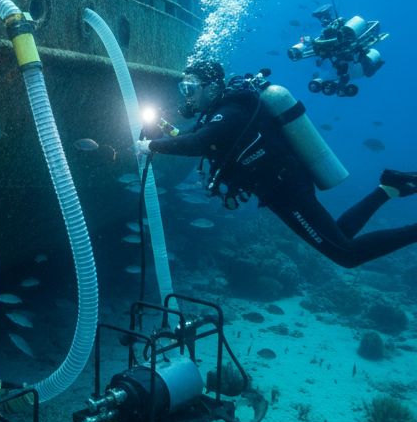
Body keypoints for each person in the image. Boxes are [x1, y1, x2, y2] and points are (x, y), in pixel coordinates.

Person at [135, 60, 417, 269]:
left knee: (346, 254)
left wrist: (150, 146)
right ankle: (387, 189)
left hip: (285, 189)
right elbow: (196, 138)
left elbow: (197, 143)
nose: (187, 95)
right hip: (281, 187)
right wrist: (162, 131)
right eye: (183, 88)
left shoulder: (231, 111)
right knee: (341, 237)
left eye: (191, 88)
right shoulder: (219, 113)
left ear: (211, 88)